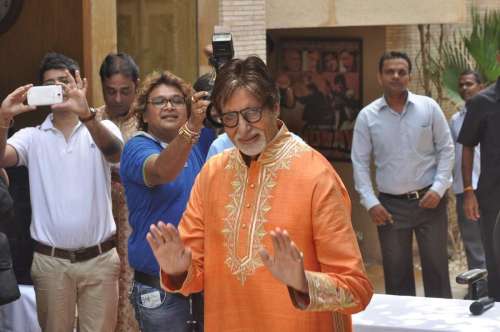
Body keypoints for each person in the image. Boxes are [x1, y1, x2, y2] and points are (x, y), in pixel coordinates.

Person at [148, 56, 373, 331]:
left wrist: (302, 282)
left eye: (252, 114)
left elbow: (357, 289)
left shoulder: (317, 175)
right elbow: (194, 275)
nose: (242, 129)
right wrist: (177, 268)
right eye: (230, 118)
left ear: (275, 106)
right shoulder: (212, 173)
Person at [0, 52, 123, 331]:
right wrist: (3, 118)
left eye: (65, 81)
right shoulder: (32, 136)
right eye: (50, 83)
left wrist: (87, 115)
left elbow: (117, 155)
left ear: (81, 84)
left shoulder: (103, 127)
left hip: (100, 260)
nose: (59, 88)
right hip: (51, 263)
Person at [351, 51, 454, 298]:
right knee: (397, 276)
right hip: (390, 207)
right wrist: (371, 202)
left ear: (410, 76)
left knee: (437, 270)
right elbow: (360, 162)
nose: (396, 76)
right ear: (380, 76)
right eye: (390, 71)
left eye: (402, 71)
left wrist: (439, 189)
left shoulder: (429, 108)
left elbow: (446, 148)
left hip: (431, 202)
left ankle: (442, 324)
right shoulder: (368, 116)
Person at [120, 70, 215, 331]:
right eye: (160, 101)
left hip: (202, 281)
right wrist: (193, 126)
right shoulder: (137, 147)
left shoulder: (201, 142)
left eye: (176, 100)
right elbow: (162, 171)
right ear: (144, 113)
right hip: (158, 289)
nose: (169, 106)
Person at [97, 52, 140, 331]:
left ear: (136, 86)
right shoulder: (90, 120)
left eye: (125, 91)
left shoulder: (149, 118)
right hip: (100, 216)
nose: (117, 99)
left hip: (136, 217)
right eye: (111, 91)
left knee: (132, 281)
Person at [458, 49, 500, 301]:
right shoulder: (482, 102)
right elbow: (468, 146)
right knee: (495, 258)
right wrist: (468, 191)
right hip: (493, 196)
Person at [449, 70, 486, 293]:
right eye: (461, 85)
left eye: (469, 84)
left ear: (480, 86)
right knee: (473, 246)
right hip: (466, 190)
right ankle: (478, 291)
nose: (465, 88)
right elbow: (454, 154)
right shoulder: (455, 120)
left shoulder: (493, 112)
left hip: (490, 189)